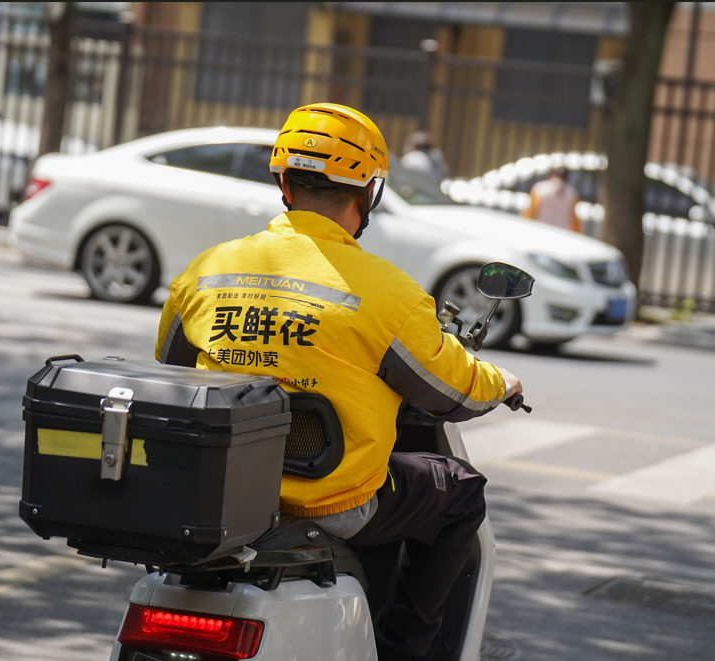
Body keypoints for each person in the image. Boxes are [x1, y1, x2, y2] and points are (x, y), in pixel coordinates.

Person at [155, 103, 522, 661]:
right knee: (460, 492)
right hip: (330, 501)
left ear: (284, 183)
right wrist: (503, 382)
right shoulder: (389, 293)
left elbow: (170, 370)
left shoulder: (205, 271)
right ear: (369, 193)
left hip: (221, 492)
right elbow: (453, 391)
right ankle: (403, 651)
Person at [526, 166, 581, 233]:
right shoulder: (572, 194)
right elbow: (574, 222)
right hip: (561, 233)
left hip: (540, 230)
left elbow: (529, 214)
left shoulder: (539, 189)